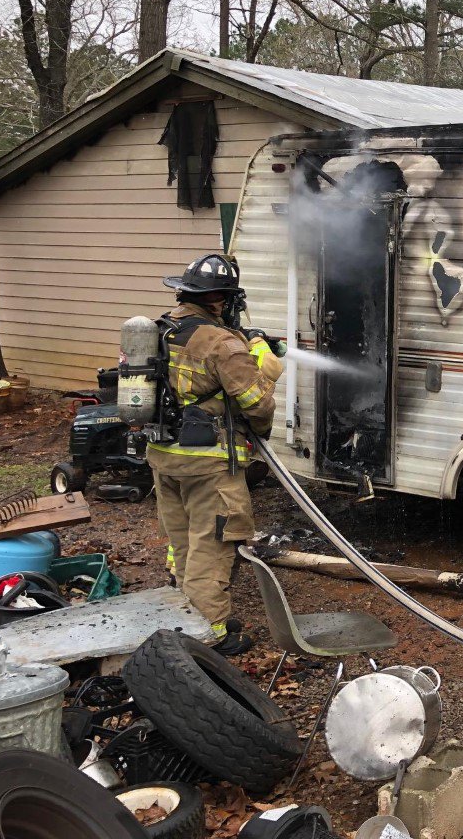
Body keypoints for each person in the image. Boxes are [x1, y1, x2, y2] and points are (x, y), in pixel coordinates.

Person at [147, 253, 283, 655]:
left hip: (163, 455)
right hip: (208, 462)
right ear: (220, 299)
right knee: (213, 544)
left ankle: (188, 617)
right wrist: (263, 363)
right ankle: (211, 636)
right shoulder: (223, 344)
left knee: (184, 541)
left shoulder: (162, 330)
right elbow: (256, 402)